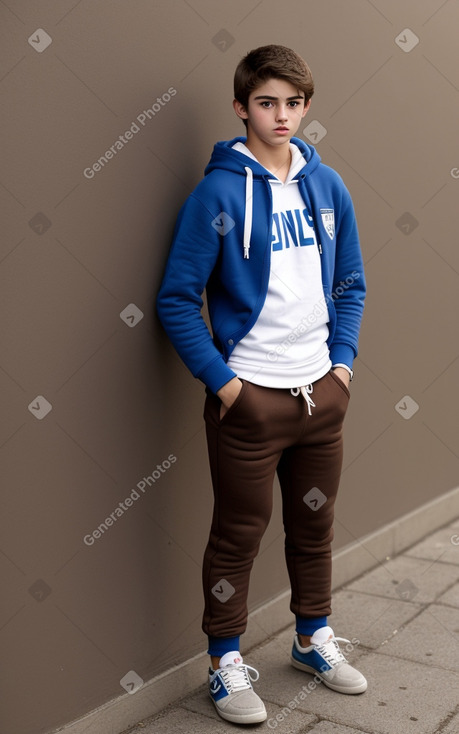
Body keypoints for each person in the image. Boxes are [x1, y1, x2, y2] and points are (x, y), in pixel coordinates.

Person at [156, 44, 367, 726]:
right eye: (267, 103)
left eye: (293, 103)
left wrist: (341, 367)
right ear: (242, 107)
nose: (281, 116)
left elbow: (350, 284)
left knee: (314, 526)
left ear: (307, 107)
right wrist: (226, 387)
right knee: (237, 535)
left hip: (320, 399)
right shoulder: (217, 193)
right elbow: (175, 299)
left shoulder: (327, 185)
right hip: (251, 404)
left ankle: (311, 638)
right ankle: (224, 663)